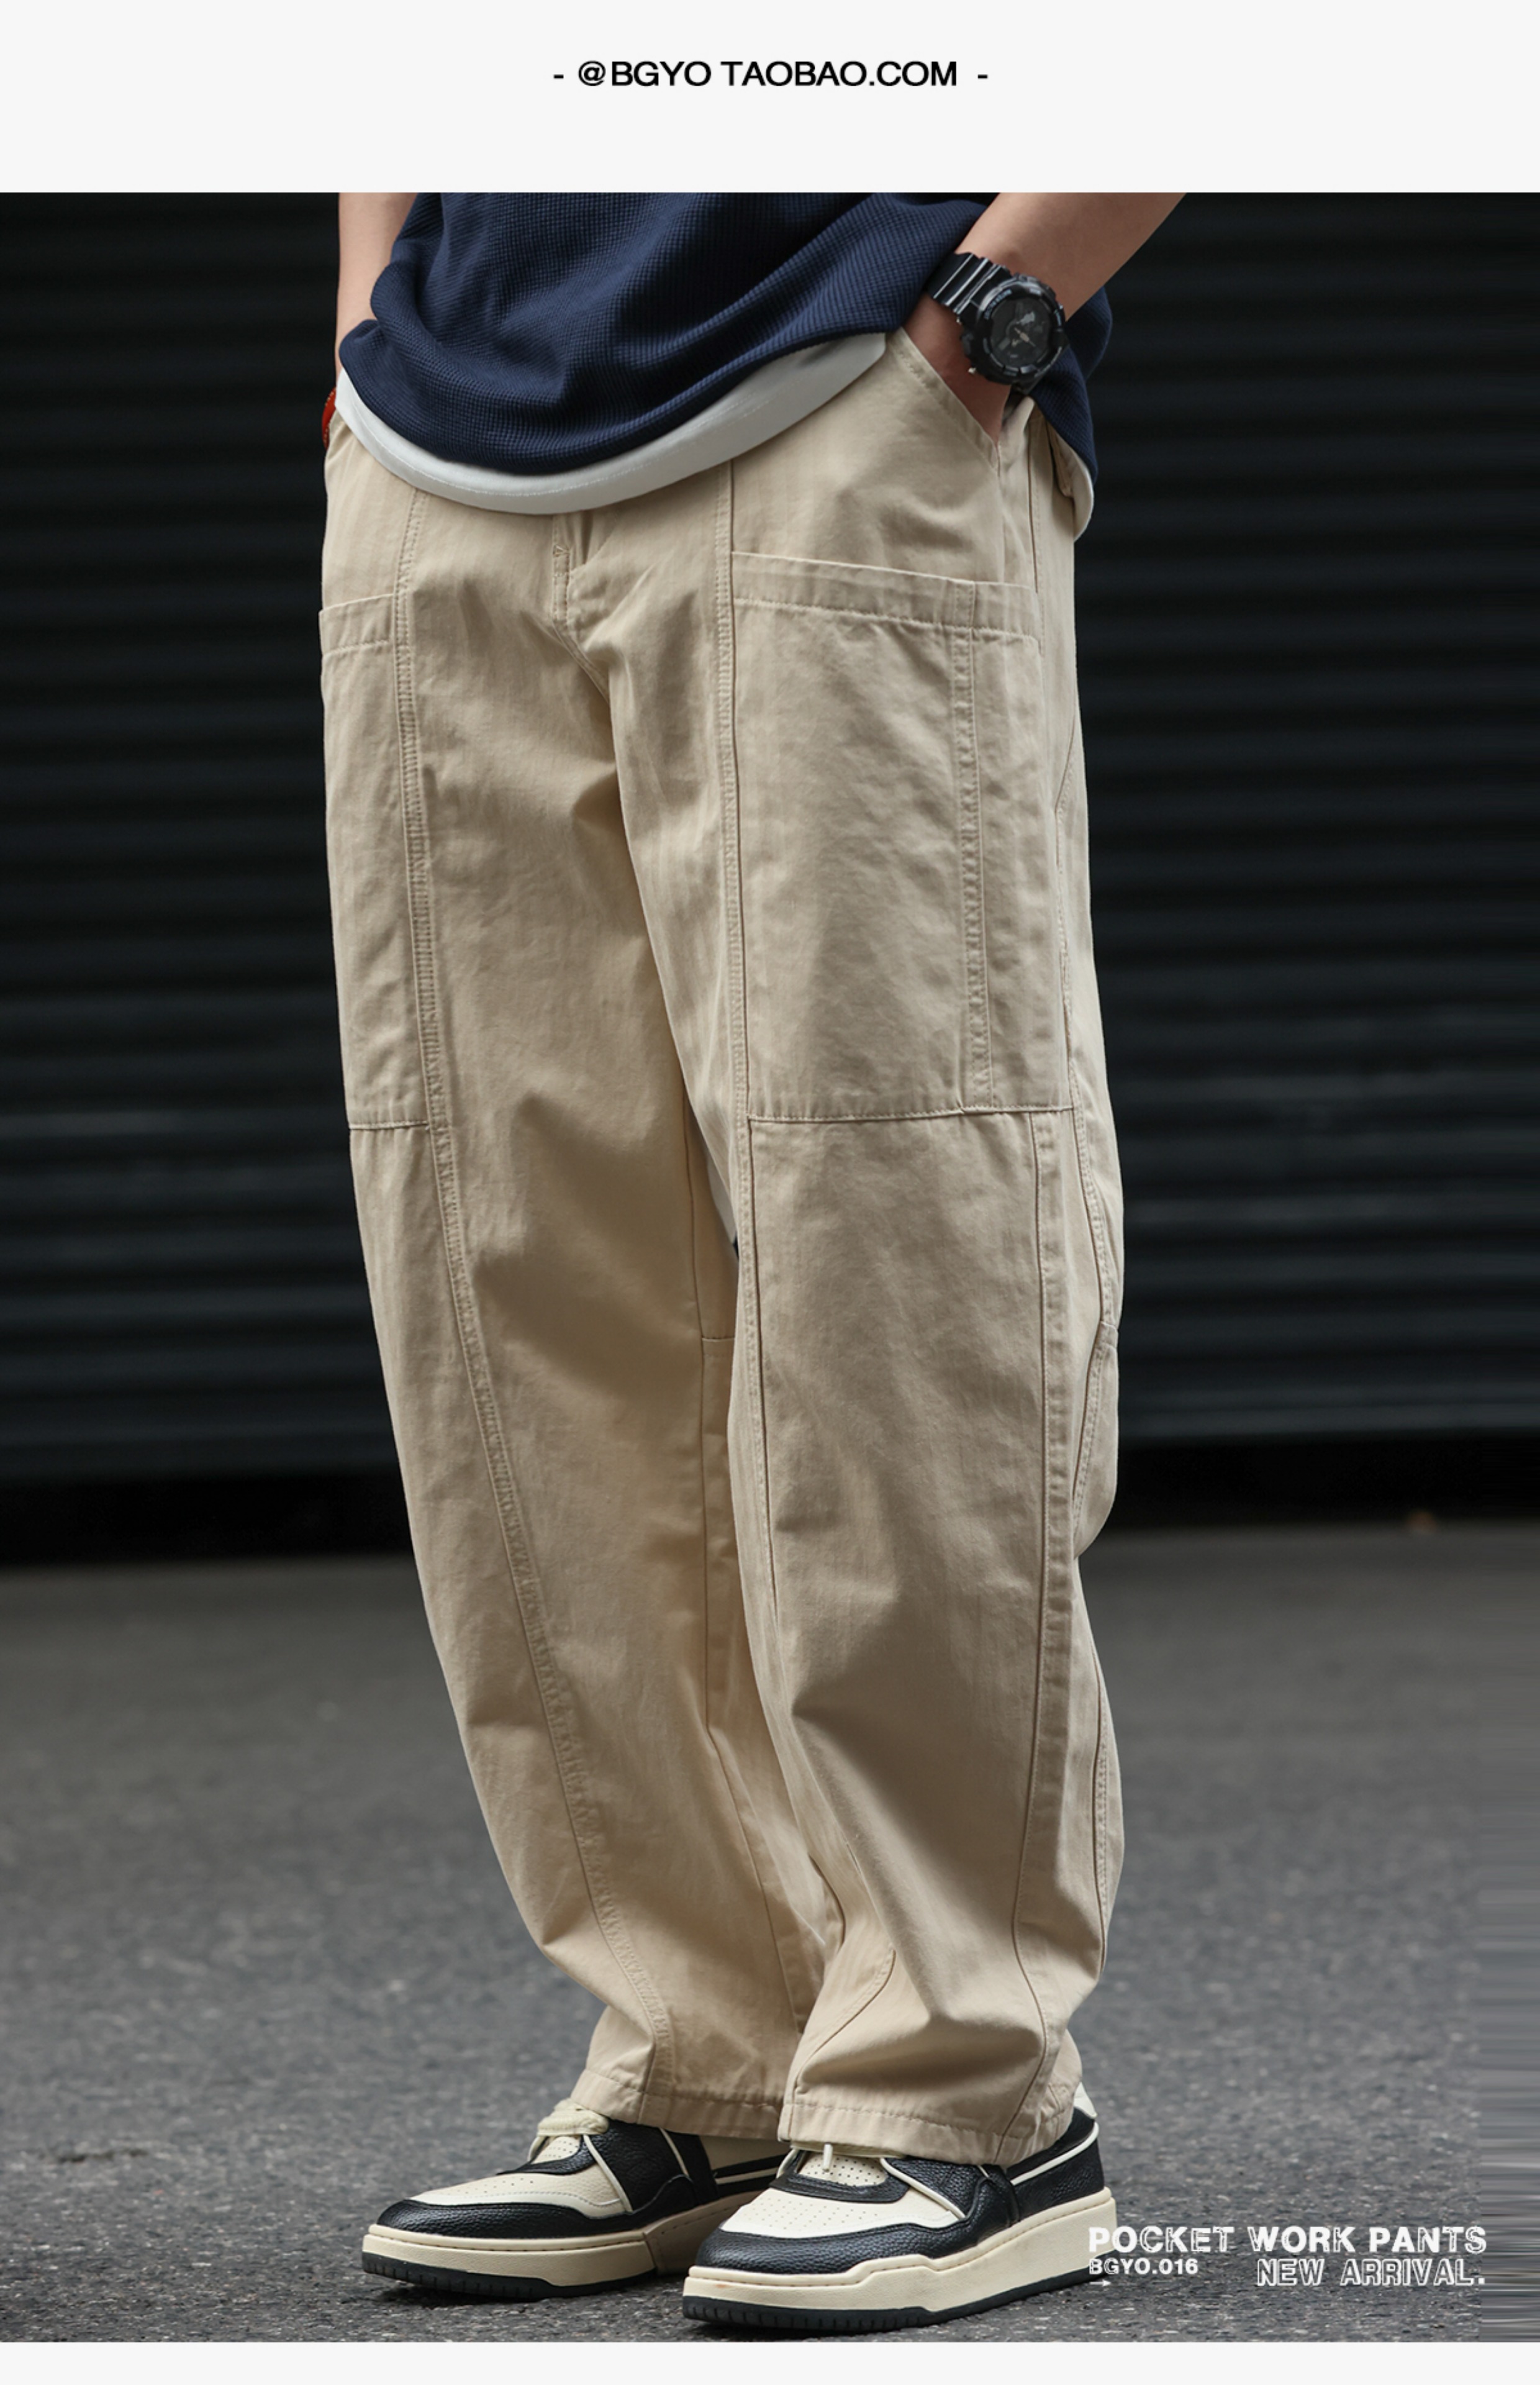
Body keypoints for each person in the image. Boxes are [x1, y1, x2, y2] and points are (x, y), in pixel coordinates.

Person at [320, 190, 1180, 2334]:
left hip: (843, 397)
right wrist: (362, 322)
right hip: (442, 457)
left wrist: (995, 306)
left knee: (898, 1250)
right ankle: (703, 2052)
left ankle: (962, 2087)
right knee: (514, 1281)